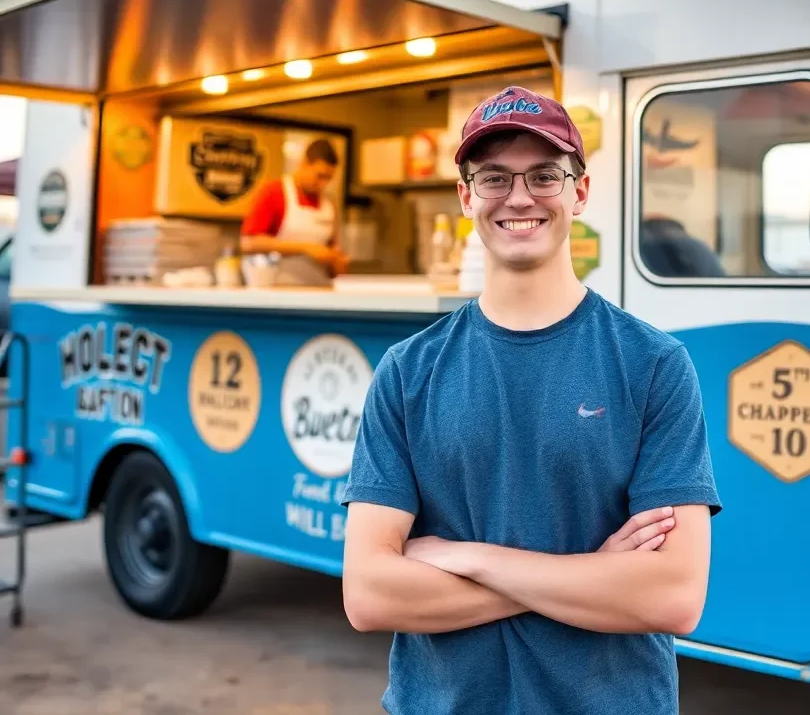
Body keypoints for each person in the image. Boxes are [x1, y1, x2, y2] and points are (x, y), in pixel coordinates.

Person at [341, 86, 721, 715]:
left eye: (545, 174)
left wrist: (470, 558)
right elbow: (370, 595)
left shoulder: (654, 366)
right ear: (466, 196)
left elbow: (672, 597)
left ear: (580, 190)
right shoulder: (408, 371)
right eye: (494, 178)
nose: (519, 197)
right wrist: (591, 574)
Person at [239, 137, 348, 286]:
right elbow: (249, 243)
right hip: (278, 290)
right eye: (320, 176)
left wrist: (337, 262)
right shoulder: (274, 192)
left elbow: (332, 252)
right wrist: (306, 248)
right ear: (304, 163)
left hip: (320, 290)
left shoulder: (330, 205)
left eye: (328, 178)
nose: (323, 184)